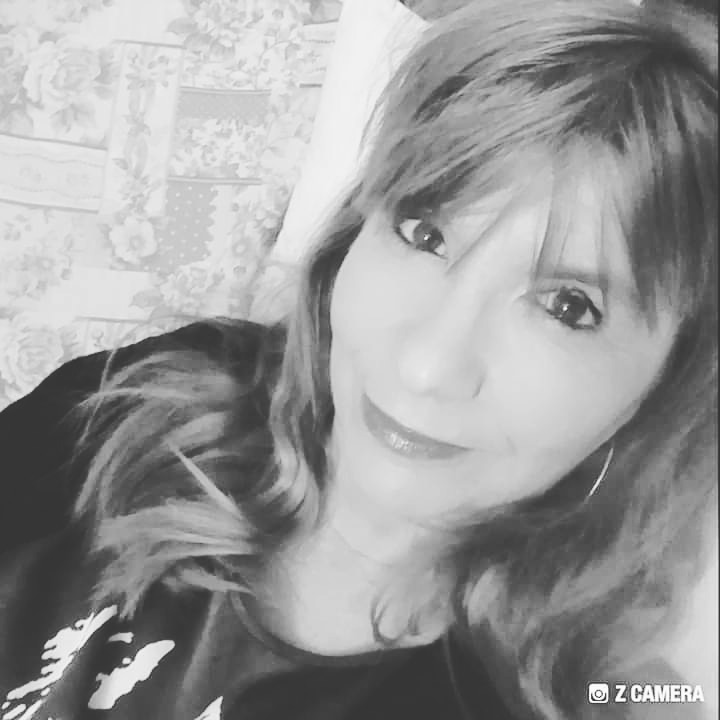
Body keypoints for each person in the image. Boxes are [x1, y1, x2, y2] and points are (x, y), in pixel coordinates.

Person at [0, 1, 717, 718]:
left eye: (566, 306)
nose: (427, 366)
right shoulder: (152, 398)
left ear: (663, 387)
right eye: (424, 234)